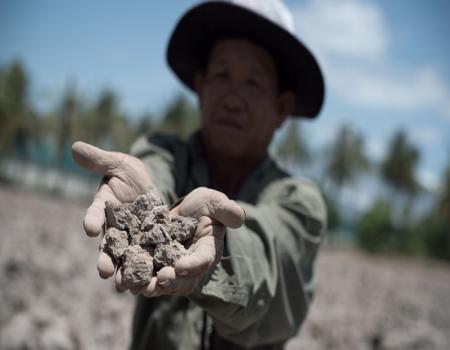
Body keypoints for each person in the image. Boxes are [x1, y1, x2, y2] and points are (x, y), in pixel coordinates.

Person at [72, 1, 327, 349]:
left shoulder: (300, 203)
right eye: (222, 75)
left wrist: (218, 246)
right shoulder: (165, 154)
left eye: (253, 81)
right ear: (201, 85)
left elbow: (269, 256)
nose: (233, 98)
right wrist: (143, 204)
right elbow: (152, 175)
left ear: (281, 108)